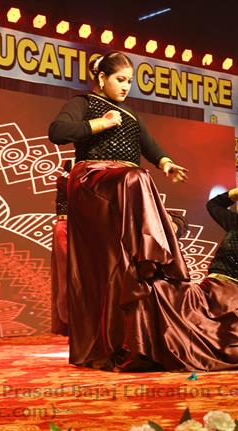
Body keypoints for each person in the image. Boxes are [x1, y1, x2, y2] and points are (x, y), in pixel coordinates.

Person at [48, 51, 190, 368]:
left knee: (123, 261)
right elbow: (57, 132)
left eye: (130, 81)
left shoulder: (130, 113)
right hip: (93, 179)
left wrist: (166, 163)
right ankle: (154, 244)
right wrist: (99, 124)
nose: (126, 86)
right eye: (120, 80)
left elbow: (149, 145)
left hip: (124, 185)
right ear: (102, 78)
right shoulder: (84, 102)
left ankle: (132, 334)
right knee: (136, 178)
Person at [114, 175, 238, 371]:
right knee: (155, 287)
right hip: (208, 295)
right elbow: (213, 206)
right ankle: (148, 353)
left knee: (236, 353)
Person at [50, 160, 71, 336]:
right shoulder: (65, 179)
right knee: (67, 276)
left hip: (82, 228)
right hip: (66, 228)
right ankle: (69, 320)